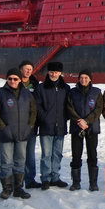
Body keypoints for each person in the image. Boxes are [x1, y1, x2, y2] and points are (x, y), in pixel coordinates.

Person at [0, 67, 37, 200]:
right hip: (6, 135)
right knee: (6, 162)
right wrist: (3, 128)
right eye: (10, 78)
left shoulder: (27, 94)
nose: (12, 81)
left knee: (20, 161)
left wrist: (29, 127)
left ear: (20, 80)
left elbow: (33, 112)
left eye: (15, 79)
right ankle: (7, 188)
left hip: (22, 134)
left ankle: (18, 188)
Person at [34, 61, 70, 190]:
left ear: (60, 73)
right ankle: (45, 178)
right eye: (51, 72)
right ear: (48, 72)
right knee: (46, 154)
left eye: (56, 72)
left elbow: (69, 106)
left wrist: (65, 118)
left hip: (60, 126)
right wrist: (45, 118)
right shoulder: (41, 88)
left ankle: (55, 177)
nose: (54, 74)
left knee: (57, 153)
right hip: (46, 127)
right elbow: (37, 106)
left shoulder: (66, 88)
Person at [67, 69, 103, 191]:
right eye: (81, 77)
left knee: (92, 155)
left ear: (90, 79)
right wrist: (79, 121)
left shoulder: (97, 92)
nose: (83, 80)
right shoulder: (72, 92)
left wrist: (86, 121)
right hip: (76, 127)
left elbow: (98, 109)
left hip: (91, 127)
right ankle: (76, 182)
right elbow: (69, 108)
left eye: (86, 78)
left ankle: (93, 183)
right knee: (76, 155)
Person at [19, 60, 41, 189]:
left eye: (30, 69)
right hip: (17, 125)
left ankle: (30, 179)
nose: (28, 71)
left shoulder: (35, 85)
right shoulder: (14, 82)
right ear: (20, 69)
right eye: (26, 68)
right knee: (19, 154)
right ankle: (18, 181)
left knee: (30, 154)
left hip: (32, 125)